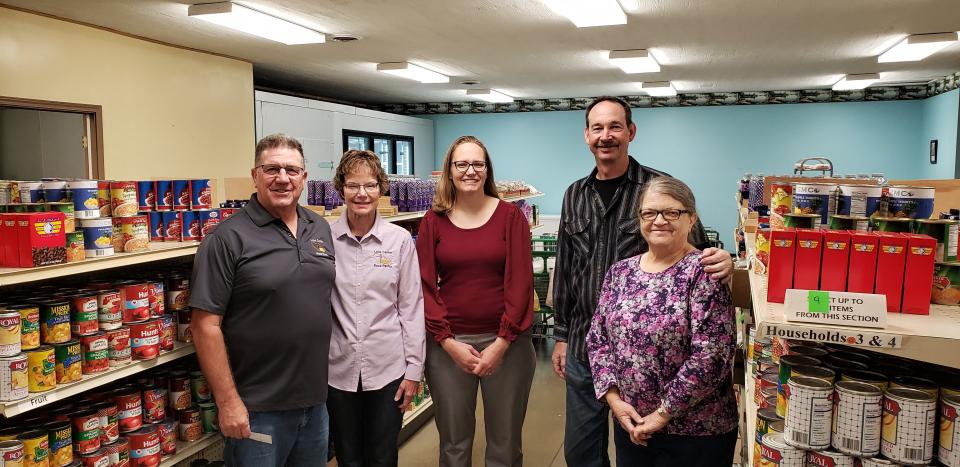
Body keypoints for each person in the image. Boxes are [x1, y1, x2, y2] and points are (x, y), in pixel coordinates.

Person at [552, 96, 734, 467]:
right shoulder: (575, 194)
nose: (606, 135)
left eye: (615, 126)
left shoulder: (659, 187)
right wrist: (559, 334)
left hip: (650, 355)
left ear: (631, 132)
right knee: (580, 450)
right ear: (586, 135)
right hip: (586, 345)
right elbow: (567, 265)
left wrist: (723, 259)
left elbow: (696, 248)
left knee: (642, 442)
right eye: (597, 128)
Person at [189, 133, 335, 466]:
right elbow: (204, 327)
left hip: (315, 404)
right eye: (272, 169)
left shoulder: (320, 227)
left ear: (304, 178)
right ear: (255, 176)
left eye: (292, 170)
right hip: (257, 409)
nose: (282, 178)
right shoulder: (227, 239)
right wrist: (228, 403)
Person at [587, 176, 738, 466]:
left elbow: (712, 357)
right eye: (649, 213)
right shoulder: (620, 273)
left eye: (671, 212)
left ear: (691, 219)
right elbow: (597, 340)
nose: (659, 220)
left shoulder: (704, 273)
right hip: (632, 427)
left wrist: (661, 415)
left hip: (695, 435)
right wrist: (615, 402)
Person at [416, 135, 535, 467]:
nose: (470, 170)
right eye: (462, 164)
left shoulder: (511, 217)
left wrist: (502, 341)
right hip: (449, 346)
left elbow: (521, 284)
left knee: (505, 444)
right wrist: (447, 341)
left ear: (487, 170)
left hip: (508, 346)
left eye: (477, 164)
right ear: (450, 171)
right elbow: (425, 285)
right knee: (453, 444)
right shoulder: (433, 220)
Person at [327, 150, 425, 467]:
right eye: (353, 185)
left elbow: (411, 308)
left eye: (370, 185)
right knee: (348, 456)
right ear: (341, 188)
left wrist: (414, 371)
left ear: (381, 188)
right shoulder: (323, 240)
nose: (362, 194)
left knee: (382, 457)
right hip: (337, 372)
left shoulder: (398, 241)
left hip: (388, 372)